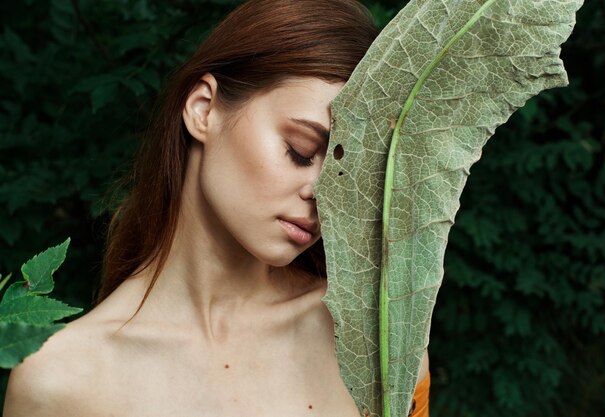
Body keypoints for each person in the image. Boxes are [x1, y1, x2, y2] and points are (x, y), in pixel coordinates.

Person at [4, 1, 429, 416]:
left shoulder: (377, 336)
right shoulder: (61, 380)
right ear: (203, 109)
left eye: (349, 174)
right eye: (300, 151)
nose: (323, 192)